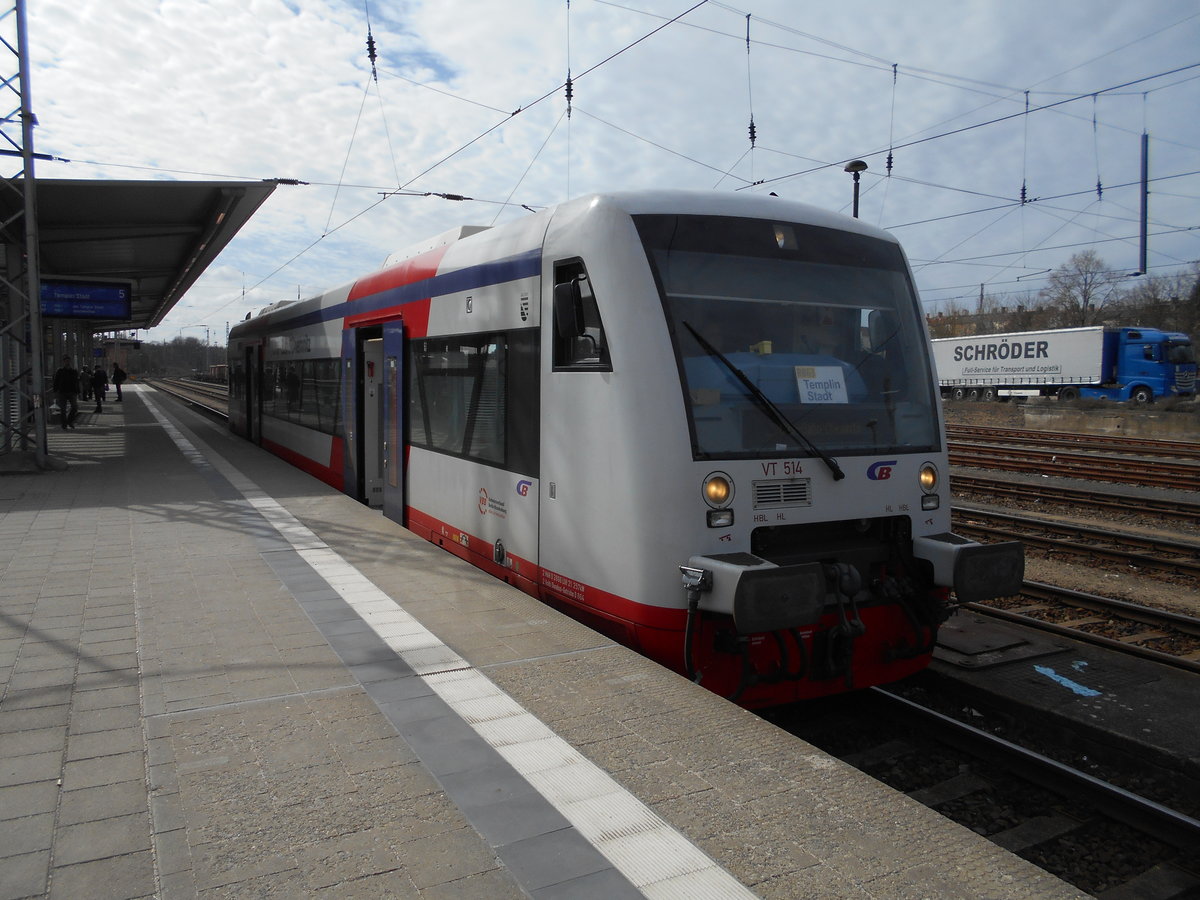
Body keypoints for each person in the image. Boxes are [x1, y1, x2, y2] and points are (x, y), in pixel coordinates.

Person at [51, 355, 80, 429]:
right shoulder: (60, 371)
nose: (67, 362)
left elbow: (76, 381)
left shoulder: (73, 371)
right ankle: (64, 424)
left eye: (68, 361)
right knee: (63, 409)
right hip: (62, 392)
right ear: (63, 362)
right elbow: (56, 381)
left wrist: (78, 391)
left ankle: (69, 421)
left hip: (72, 392)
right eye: (66, 361)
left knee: (74, 407)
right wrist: (55, 391)